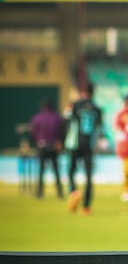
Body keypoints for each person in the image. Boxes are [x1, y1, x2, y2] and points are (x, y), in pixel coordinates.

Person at [66, 83, 103, 215]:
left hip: (75, 144)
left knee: (71, 171)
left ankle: (74, 192)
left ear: (83, 92)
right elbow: (99, 129)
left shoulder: (76, 105)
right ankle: (86, 206)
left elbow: (69, 122)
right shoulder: (97, 109)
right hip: (89, 145)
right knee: (88, 176)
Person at [29, 98, 65, 199]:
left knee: (41, 171)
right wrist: (59, 142)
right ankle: (60, 193)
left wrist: (37, 142)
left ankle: (39, 193)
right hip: (53, 147)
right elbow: (62, 131)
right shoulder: (57, 118)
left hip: (42, 146)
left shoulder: (37, 118)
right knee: (56, 171)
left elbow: (33, 132)